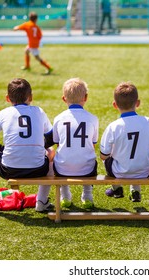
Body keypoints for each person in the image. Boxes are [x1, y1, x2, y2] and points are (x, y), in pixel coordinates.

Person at [0, 78, 54, 213]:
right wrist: (41, 147)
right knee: (51, 152)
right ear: (31, 97)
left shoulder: (4, 113)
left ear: (7, 98)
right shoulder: (39, 111)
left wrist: (2, 149)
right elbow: (52, 138)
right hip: (39, 169)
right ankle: (41, 201)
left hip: (9, 169)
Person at [100, 82, 149, 202]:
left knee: (108, 157)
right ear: (137, 103)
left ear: (115, 105)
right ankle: (135, 191)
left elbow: (103, 156)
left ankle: (117, 188)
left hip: (120, 173)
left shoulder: (113, 126)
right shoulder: (148, 122)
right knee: (139, 155)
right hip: (144, 171)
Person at [52, 78, 99, 209]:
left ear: (63, 99)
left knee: (58, 156)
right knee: (90, 157)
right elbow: (93, 144)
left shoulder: (58, 118)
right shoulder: (92, 118)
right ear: (86, 97)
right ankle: (87, 195)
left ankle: (65, 195)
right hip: (87, 169)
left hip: (62, 168)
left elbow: (57, 144)